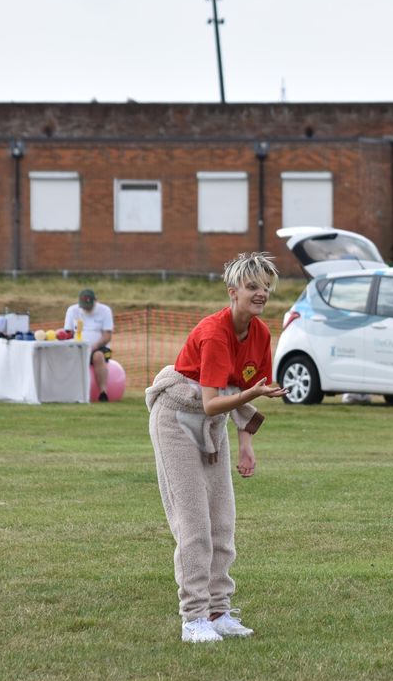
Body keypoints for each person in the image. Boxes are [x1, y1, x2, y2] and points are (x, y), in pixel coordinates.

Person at [145, 252, 286, 643]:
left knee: (222, 521)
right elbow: (212, 401)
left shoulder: (259, 333)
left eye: (266, 287)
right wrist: (254, 392)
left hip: (213, 421)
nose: (261, 294)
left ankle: (219, 611)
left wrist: (246, 446)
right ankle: (194, 618)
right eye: (252, 286)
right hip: (177, 417)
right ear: (233, 292)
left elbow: (241, 392)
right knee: (194, 525)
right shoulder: (214, 332)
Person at [63, 289, 115, 401]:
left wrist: (93, 347)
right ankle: (69, 392)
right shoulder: (72, 310)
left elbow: (107, 336)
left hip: (99, 348)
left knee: (98, 356)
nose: (86, 308)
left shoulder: (105, 311)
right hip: (77, 347)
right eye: (83, 305)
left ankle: (103, 392)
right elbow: (68, 333)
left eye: (88, 305)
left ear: (95, 301)